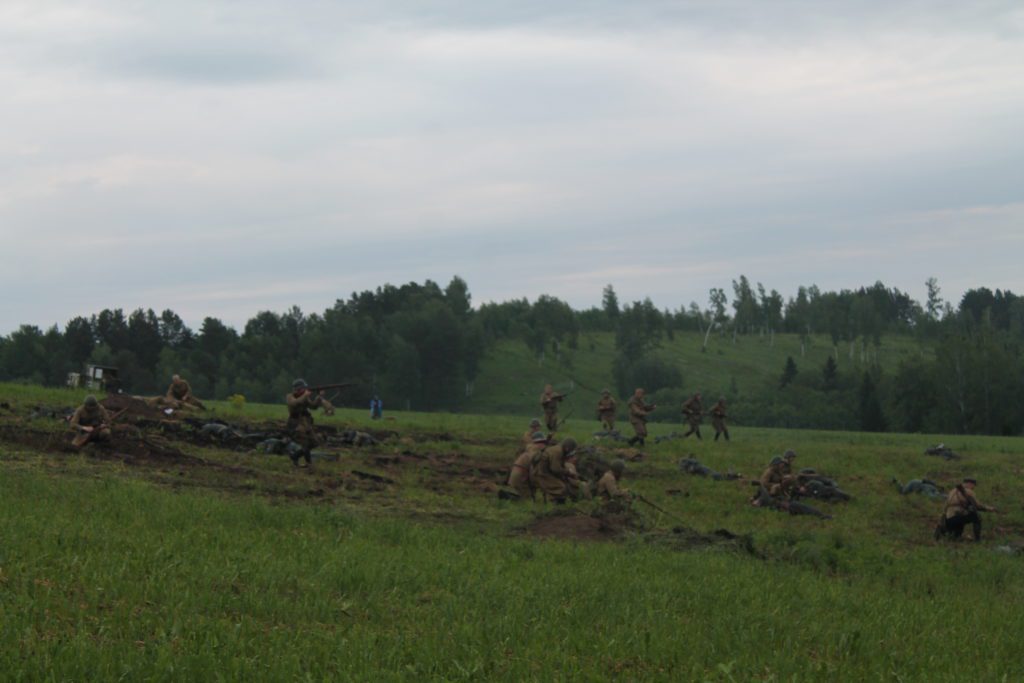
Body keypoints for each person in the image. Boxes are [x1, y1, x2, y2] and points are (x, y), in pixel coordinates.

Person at [285, 379, 326, 467]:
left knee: (315, 442)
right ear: (298, 389)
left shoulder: (305, 397)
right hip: (295, 425)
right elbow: (294, 403)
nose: (305, 390)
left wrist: (319, 397)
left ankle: (295, 456)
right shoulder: (290, 396)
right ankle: (309, 464)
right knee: (305, 444)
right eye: (303, 388)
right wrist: (305, 395)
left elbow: (313, 406)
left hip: (306, 424)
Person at [530, 437, 577, 503]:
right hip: (541, 474)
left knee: (562, 485)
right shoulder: (558, 452)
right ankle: (556, 505)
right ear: (568, 448)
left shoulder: (558, 449)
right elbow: (555, 469)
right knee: (560, 487)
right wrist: (568, 472)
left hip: (543, 472)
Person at [508, 432, 547, 499]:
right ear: (539, 443)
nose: (545, 445)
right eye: (543, 442)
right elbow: (533, 473)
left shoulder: (530, 449)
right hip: (520, 477)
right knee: (527, 499)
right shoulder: (535, 452)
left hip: (516, 475)